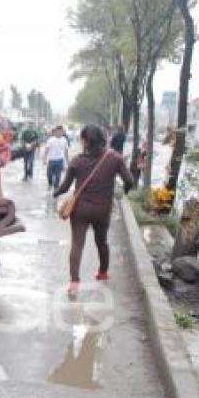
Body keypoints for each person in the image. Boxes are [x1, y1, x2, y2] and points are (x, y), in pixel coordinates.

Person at [53, 125, 135, 296]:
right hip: (102, 209)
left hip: (80, 209)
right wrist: (124, 192)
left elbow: (65, 186)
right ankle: (103, 272)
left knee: (77, 244)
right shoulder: (114, 158)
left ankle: (74, 283)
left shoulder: (77, 161)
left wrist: (56, 193)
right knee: (101, 241)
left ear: (84, 141)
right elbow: (129, 180)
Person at [43, 125, 69, 191]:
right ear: (55, 132)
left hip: (60, 160)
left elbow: (66, 151)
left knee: (58, 175)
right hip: (51, 160)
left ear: (63, 132)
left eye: (61, 131)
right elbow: (47, 149)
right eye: (58, 131)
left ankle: (56, 188)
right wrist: (44, 159)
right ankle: (50, 183)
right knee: (49, 174)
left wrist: (67, 161)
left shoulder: (64, 140)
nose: (60, 132)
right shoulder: (51, 140)